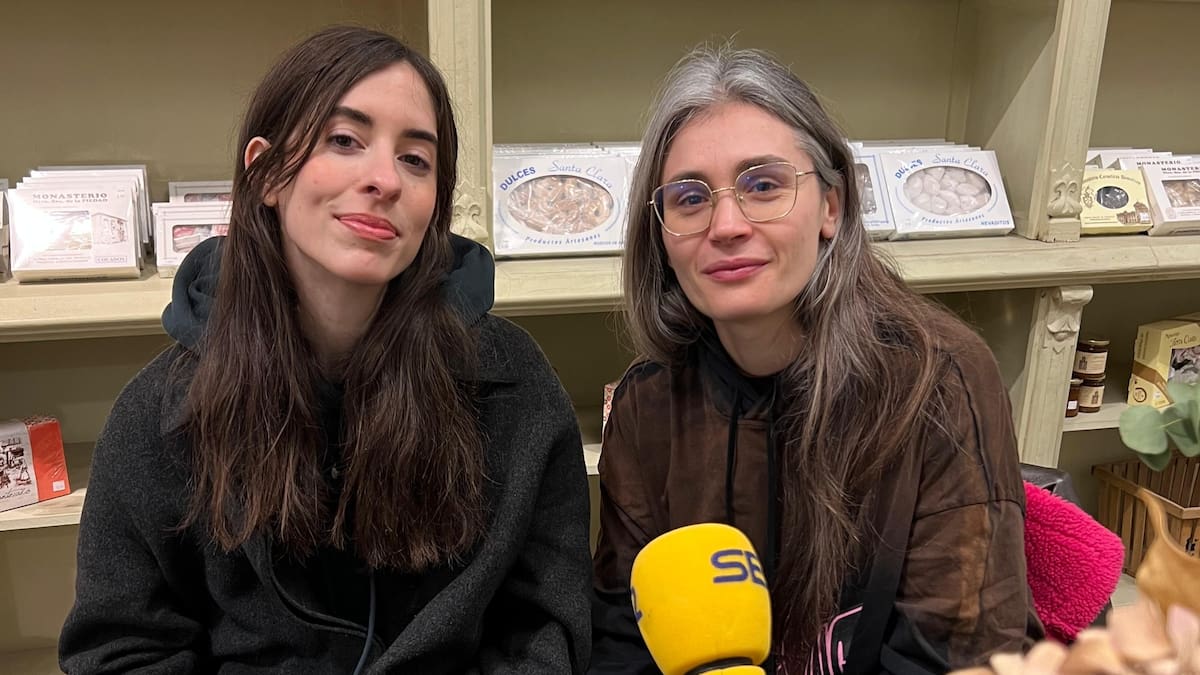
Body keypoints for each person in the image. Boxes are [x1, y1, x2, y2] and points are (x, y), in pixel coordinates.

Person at [60, 26, 591, 674]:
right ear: (266, 174)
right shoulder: (162, 412)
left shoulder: (514, 388)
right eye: (345, 140)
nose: (383, 179)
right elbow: (122, 647)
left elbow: (543, 628)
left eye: (415, 160)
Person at [590, 46, 1043, 674]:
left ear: (832, 206)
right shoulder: (647, 404)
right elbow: (621, 638)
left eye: (764, 185)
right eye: (690, 198)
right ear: (661, 235)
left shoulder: (940, 378)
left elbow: (964, 655)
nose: (726, 224)